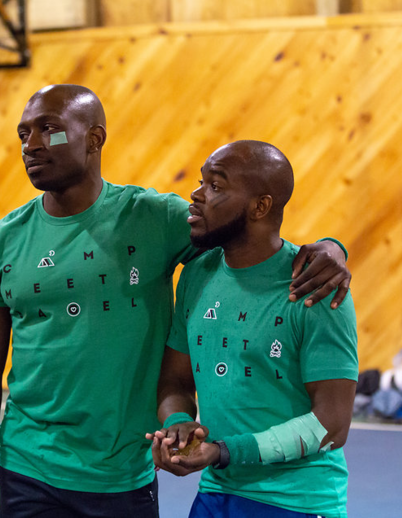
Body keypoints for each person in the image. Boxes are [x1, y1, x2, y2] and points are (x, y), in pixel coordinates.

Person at [0, 85, 352, 518]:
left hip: (125, 476)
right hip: (31, 470)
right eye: (23, 133)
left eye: (49, 130)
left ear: (94, 139)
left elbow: (250, 237)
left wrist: (332, 248)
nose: (31, 144)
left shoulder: (156, 219)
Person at [147, 140, 358, 518]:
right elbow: (175, 382)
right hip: (216, 495)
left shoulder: (317, 287)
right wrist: (178, 425)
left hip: (298, 503)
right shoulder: (197, 273)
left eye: (215, 186)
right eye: (200, 181)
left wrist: (225, 451)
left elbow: (331, 425)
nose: (195, 195)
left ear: (260, 206)